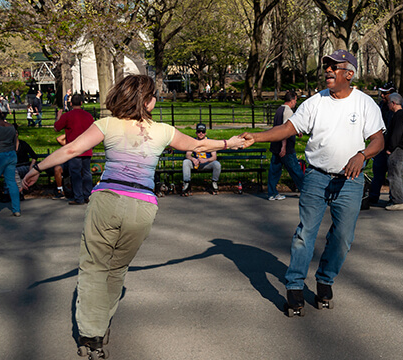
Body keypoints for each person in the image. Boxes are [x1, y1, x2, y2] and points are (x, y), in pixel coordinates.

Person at [22, 74, 245, 357]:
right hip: (142, 206)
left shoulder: (106, 124)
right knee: (116, 270)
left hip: (107, 201)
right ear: (148, 102)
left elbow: (72, 148)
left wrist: (38, 168)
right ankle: (99, 327)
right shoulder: (164, 131)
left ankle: (91, 334)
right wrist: (230, 143)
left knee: (94, 267)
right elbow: (198, 146)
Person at [239, 49, 385, 315]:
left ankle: (325, 279)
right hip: (316, 176)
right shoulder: (315, 102)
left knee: (342, 238)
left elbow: (378, 140)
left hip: (350, 181)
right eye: (326, 66)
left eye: (334, 67)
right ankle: (294, 287)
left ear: (349, 74)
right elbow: (288, 128)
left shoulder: (365, 104)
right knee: (305, 233)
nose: (328, 71)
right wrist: (257, 137)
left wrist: (362, 155)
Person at [54, 94, 95, 205]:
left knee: (75, 174)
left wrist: (58, 116)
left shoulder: (67, 116)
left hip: (73, 149)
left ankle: (78, 197)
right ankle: (87, 195)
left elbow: (57, 128)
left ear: (71, 104)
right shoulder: (88, 116)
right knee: (86, 173)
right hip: (86, 148)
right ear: (81, 103)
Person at [267, 90, 304, 201]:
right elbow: (285, 130)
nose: (295, 103)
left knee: (274, 171)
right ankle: (306, 192)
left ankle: (272, 193)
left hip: (275, 145)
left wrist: (297, 131)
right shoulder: (288, 112)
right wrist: (284, 147)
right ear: (292, 100)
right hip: (286, 148)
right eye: (295, 100)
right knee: (296, 171)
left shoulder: (279, 110)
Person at [367, 82, 395, 204]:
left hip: (392, 145)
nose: (382, 96)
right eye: (382, 93)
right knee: (377, 170)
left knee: (393, 175)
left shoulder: (398, 108)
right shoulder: (381, 106)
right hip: (381, 143)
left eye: (385, 93)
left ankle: (394, 199)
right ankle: (373, 196)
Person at [384, 93, 403, 211]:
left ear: (393, 103)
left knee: (394, 175)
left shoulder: (398, 116)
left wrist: (390, 147)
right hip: (400, 147)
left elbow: (396, 134)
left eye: (389, 102)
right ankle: (395, 198)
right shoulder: (402, 114)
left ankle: (397, 201)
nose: (388, 104)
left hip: (397, 149)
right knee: (397, 174)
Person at [180, 123, 222, 195]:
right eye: (199, 131)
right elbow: (188, 155)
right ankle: (187, 183)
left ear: (205, 133)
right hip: (196, 163)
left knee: (217, 164)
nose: (201, 133)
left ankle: (214, 183)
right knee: (186, 162)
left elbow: (214, 157)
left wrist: (206, 160)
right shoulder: (192, 142)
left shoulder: (210, 142)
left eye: (202, 132)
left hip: (206, 163)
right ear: (196, 132)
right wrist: (193, 159)